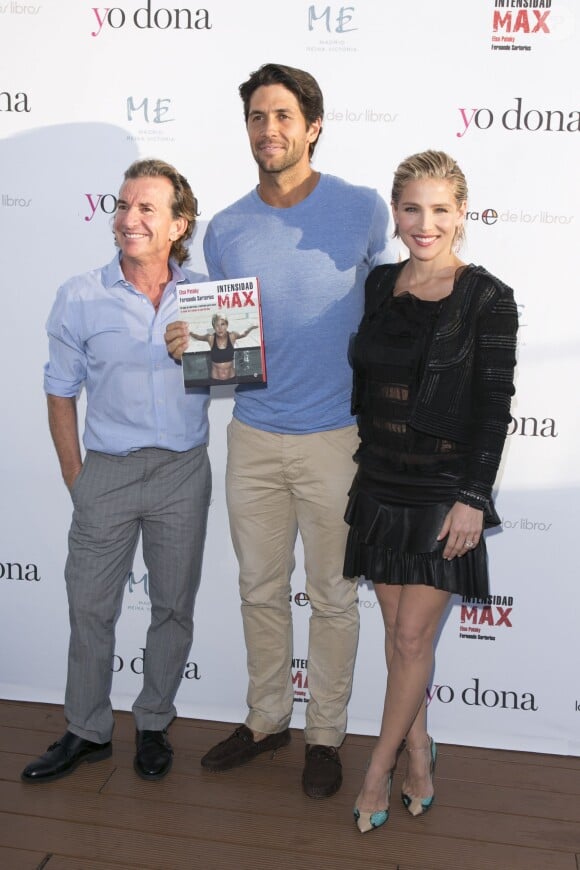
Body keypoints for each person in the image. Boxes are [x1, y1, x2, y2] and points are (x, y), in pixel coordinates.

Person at [165, 62, 394, 798]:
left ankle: (326, 733)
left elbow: (395, 306)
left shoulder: (362, 210)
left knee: (332, 593)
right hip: (255, 436)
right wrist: (191, 348)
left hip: (339, 438)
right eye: (258, 117)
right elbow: (226, 345)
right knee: (260, 588)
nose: (269, 130)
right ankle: (265, 721)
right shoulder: (225, 229)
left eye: (284, 116)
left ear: (313, 126)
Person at [21, 159, 212, 785]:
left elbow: (241, 376)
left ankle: (153, 721)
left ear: (178, 224)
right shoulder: (79, 294)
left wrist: (203, 354)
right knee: (89, 606)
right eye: (123, 206)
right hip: (105, 470)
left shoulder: (208, 294)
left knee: (173, 606)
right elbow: (58, 391)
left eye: (147, 208)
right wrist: (78, 477)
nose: (129, 219)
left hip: (183, 471)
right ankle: (86, 729)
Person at [344, 150, 518, 832]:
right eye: (412, 208)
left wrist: (473, 498)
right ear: (396, 212)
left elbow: (494, 404)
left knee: (413, 639)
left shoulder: (487, 298)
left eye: (440, 209)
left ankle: (376, 770)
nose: (425, 223)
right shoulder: (379, 285)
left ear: (461, 215)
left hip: (445, 491)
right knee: (398, 635)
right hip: (381, 480)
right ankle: (418, 747)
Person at [189, 313, 258, 380]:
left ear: (227, 325)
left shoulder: (232, 336)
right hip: (215, 379)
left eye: (222, 324)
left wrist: (251, 327)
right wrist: (189, 332)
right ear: (214, 327)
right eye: (217, 325)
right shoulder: (211, 337)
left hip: (232, 378)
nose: (220, 328)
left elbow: (243, 334)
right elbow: (198, 337)